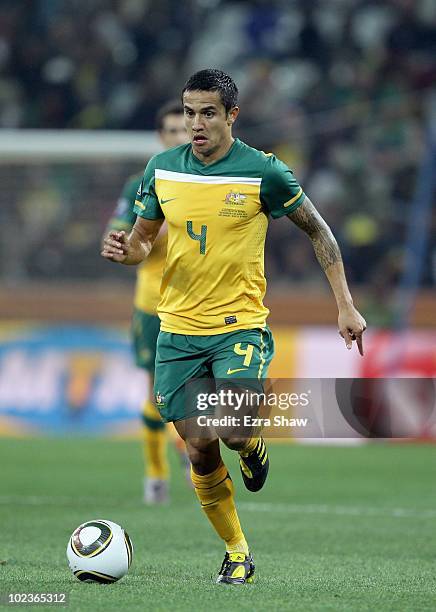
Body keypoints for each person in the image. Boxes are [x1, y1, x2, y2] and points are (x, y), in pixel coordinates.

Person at [102, 69, 366, 584]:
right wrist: (124, 251)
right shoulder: (161, 170)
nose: (195, 124)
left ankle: (251, 444)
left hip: (238, 325)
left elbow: (318, 231)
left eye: (207, 113)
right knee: (198, 448)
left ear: (231, 116)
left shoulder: (264, 172)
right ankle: (237, 550)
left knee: (234, 427)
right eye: (188, 113)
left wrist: (346, 306)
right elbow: (141, 243)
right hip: (175, 330)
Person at [103, 100, 189, 504]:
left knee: (197, 392)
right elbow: (122, 231)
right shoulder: (142, 183)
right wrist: (122, 241)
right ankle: (157, 476)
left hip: (198, 303)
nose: (178, 137)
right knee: (156, 391)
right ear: (161, 137)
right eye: (171, 131)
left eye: (183, 130)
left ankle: (193, 449)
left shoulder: (209, 182)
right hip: (153, 305)